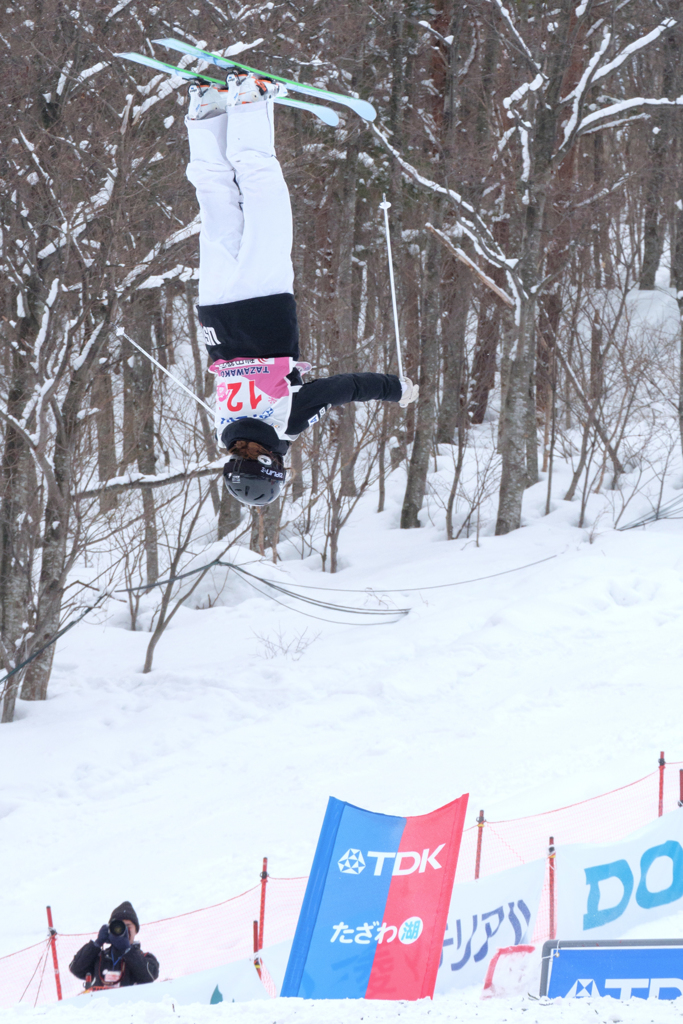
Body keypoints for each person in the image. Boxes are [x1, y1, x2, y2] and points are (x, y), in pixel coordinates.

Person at [185, 72, 419, 507]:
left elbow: (338, 389)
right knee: (215, 202)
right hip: (214, 308)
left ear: (271, 467)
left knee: (264, 197)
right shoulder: (224, 430)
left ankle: (249, 101)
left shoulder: (283, 425)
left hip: (262, 307)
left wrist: (393, 388)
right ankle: (206, 111)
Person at [69, 901, 159, 990]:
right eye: (119, 927)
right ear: (111, 929)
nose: (124, 931)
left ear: (136, 930)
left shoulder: (145, 958)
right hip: (100, 1004)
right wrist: (96, 944)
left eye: (128, 926)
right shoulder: (99, 958)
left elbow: (148, 976)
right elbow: (76, 968)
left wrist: (128, 951)